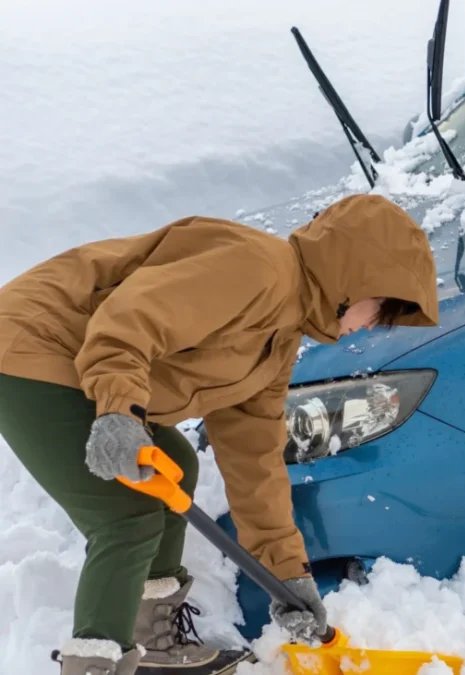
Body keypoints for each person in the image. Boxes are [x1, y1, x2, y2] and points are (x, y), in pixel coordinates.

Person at [0, 193, 439, 675]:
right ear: (358, 278)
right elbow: (129, 319)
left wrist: (288, 573)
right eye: (378, 312)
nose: (367, 328)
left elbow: (255, 460)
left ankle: (152, 642)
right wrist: (120, 410)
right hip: (34, 347)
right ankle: (95, 663)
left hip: (82, 362)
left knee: (176, 466)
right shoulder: (257, 268)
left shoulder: (278, 338)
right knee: (127, 515)